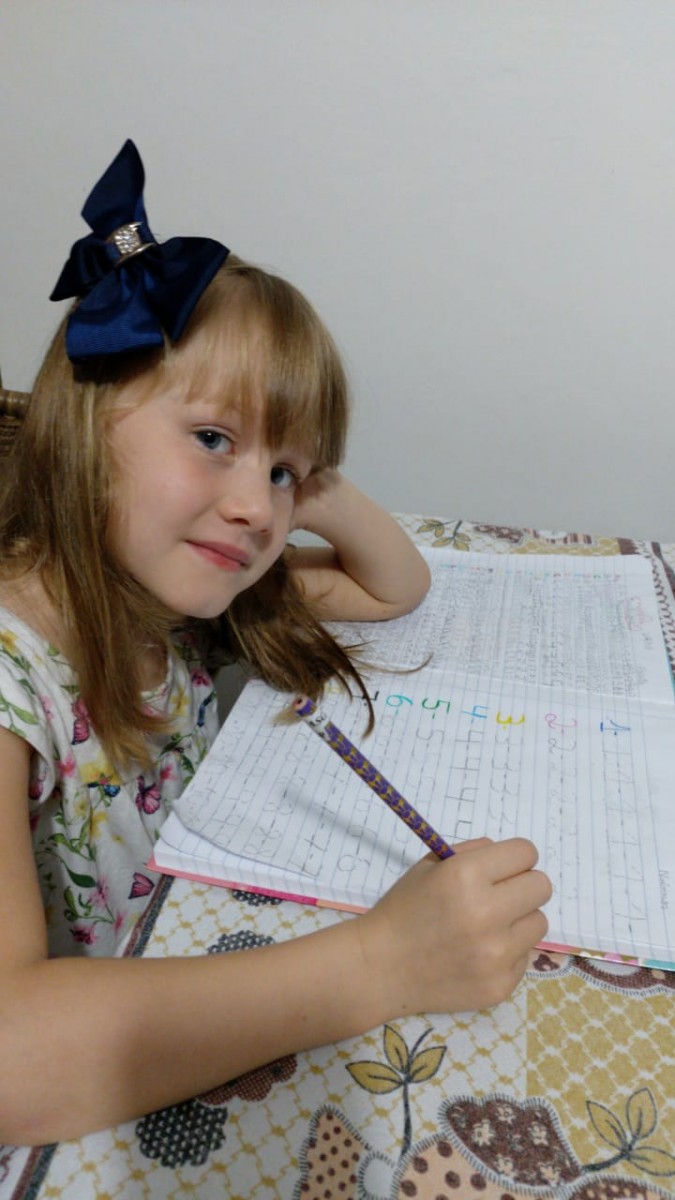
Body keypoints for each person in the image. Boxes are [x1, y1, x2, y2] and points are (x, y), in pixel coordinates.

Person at [0, 141, 551, 1146]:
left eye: (286, 475)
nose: (258, 508)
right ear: (84, 417)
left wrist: (296, 463)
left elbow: (395, 586)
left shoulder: (174, 599)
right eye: (212, 439)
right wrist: (382, 963)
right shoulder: (10, 677)